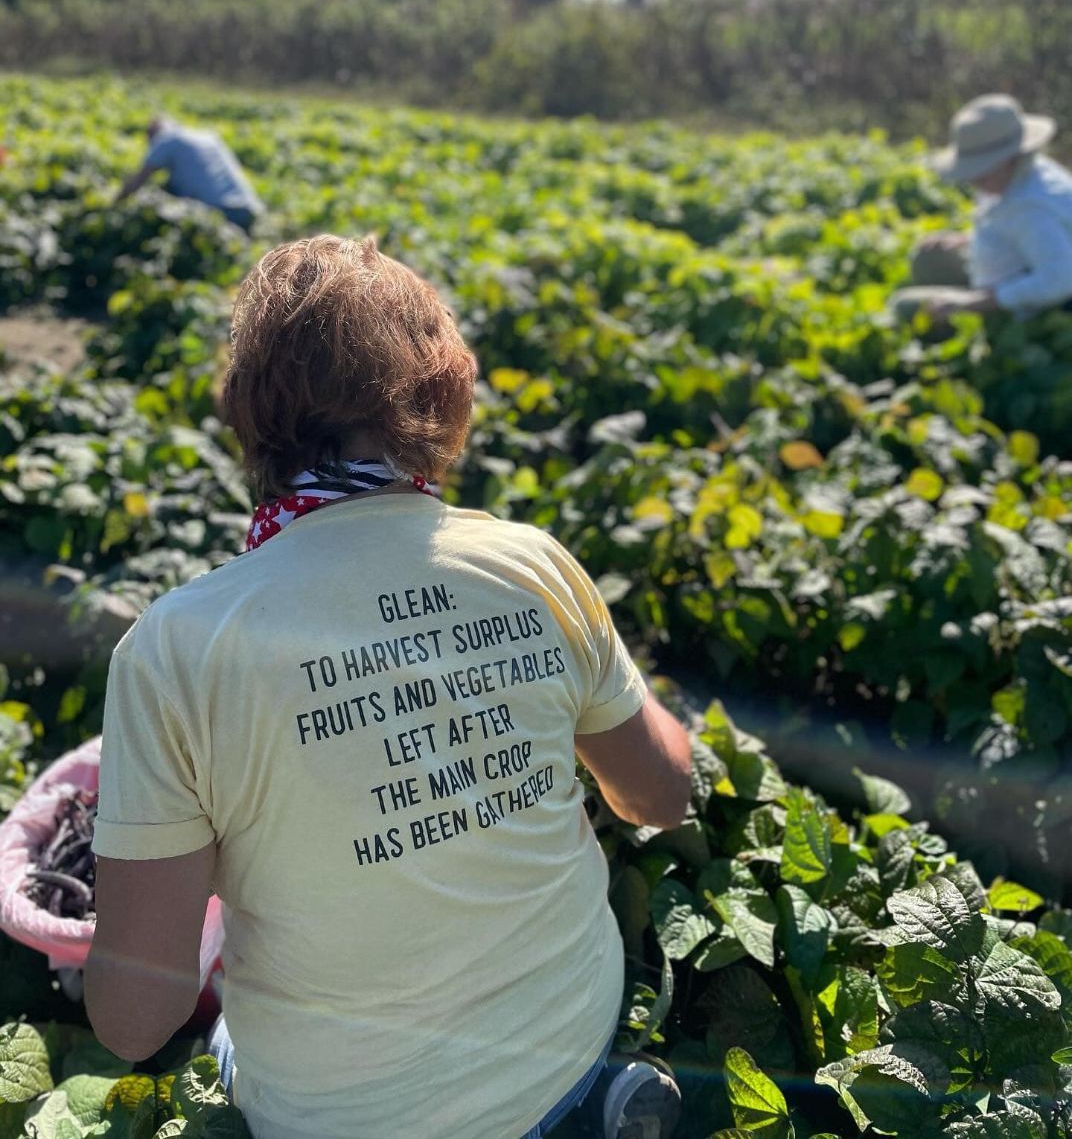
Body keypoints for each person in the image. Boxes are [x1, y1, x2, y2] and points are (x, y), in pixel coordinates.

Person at [85, 234, 692, 1139]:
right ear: (442, 398)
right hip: (573, 1033)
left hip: (341, 1117)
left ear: (250, 414)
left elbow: (136, 1023)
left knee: (220, 1039)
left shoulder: (175, 650)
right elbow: (661, 795)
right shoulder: (530, 564)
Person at [892, 94, 1072, 325]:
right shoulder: (1027, 173)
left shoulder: (1033, 209)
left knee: (904, 307)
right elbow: (1013, 230)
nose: (974, 180)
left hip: (1029, 309)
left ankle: (985, 332)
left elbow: (1060, 280)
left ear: (1011, 158)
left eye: (982, 171)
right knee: (929, 259)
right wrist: (965, 239)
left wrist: (974, 303)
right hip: (1006, 276)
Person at [114, 116, 263, 231]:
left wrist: (113, 204)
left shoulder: (166, 139)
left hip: (220, 214)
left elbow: (138, 181)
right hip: (249, 209)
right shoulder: (207, 137)